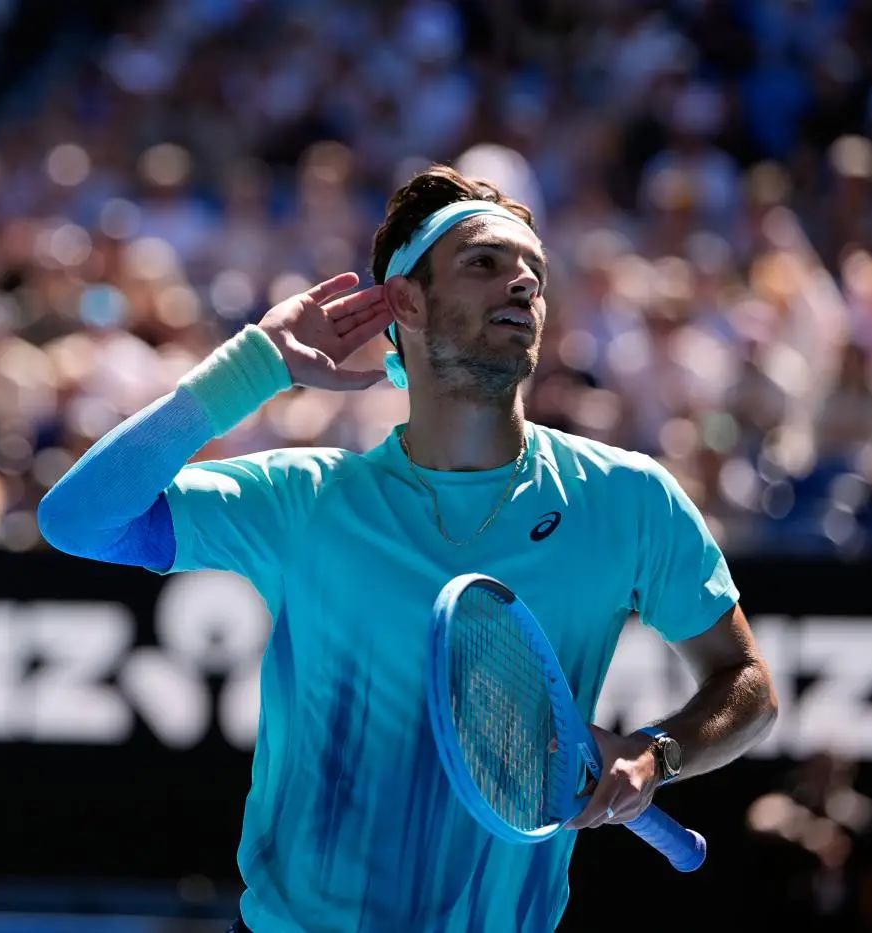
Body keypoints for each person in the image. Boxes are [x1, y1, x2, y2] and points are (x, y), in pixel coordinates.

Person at [38, 164, 779, 933]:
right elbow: (79, 520)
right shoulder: (307, 499)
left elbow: (748, 683)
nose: (523, 282)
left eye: (534, 271)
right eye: (484, 262)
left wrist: (658, 752)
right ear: (407, 302)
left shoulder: (628, 497)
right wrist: (256, 366)